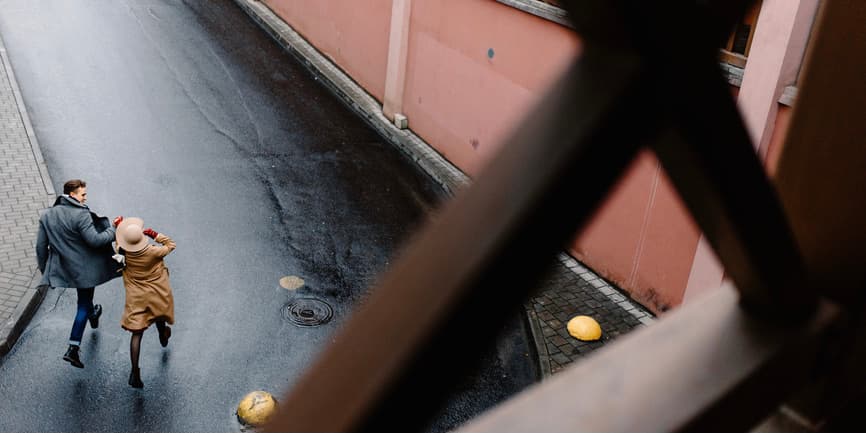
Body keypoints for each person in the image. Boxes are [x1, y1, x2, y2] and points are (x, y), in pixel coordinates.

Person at [36, 179, 121, 369]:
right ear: (72, 195)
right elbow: (95, 240)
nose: (85, 198)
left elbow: (40, 247)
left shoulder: (47, 215)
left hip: (65, 269)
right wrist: (113, 230)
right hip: (85, 271)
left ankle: (94, 313)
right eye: (83, 194)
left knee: (86, 302)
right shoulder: (81, 215)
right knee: (82, 304)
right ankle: (73, 348)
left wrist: (45, 272)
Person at [114, 216, 175, 388]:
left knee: (137, 333)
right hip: (156, 293)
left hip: (136, 297)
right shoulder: (153, 252)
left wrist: (119, 226)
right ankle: (163, 337)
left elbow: (119, 243)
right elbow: (171, 245)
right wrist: (156, 235)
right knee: (159, 318)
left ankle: (135, 372)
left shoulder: (123, 251)